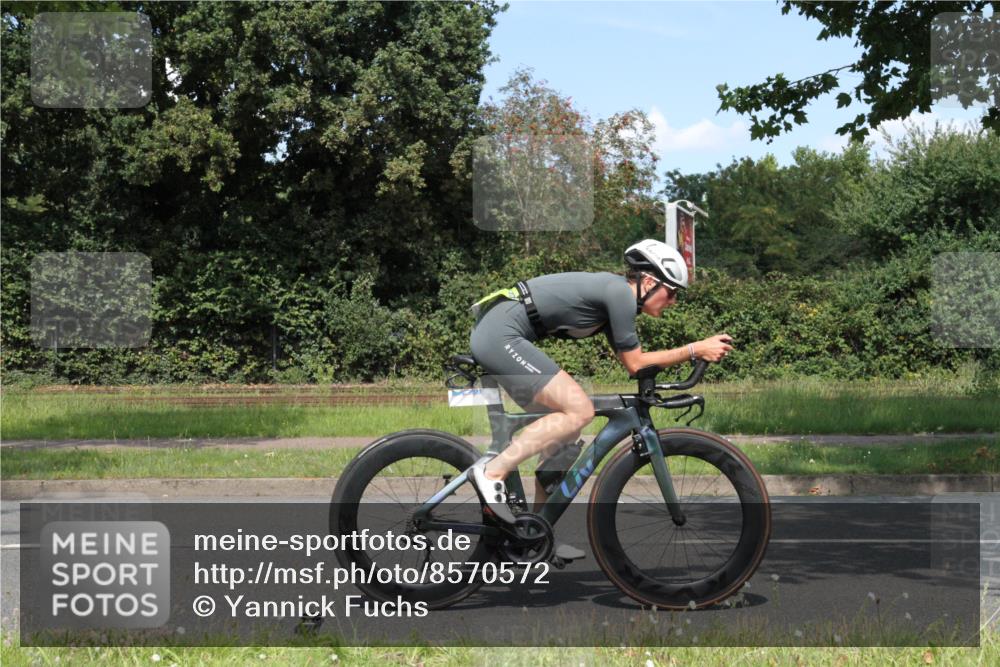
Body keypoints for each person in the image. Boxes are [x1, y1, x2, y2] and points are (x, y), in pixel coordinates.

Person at [467, 239, 734, 559]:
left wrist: (684, 357)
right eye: (672, 291)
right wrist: (694, 350)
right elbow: (637, 363)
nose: (673, 301)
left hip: (500, 333)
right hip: (500, 334)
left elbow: (633, 364)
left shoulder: (616, 302)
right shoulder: (620, 293)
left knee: (566, 433)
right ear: (649, 282)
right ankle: (492, 473)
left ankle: (535, 533)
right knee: (579, 409)